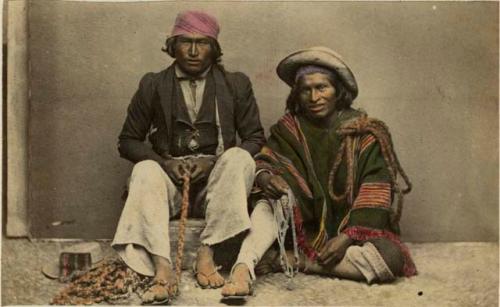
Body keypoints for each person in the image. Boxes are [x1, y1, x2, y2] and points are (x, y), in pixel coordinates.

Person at [221, 46, 417, 298]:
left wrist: (347, 237)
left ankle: (296, 261)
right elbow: (265, 160)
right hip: (303, 227)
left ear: (338, 91)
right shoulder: (289, 130)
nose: (314, 97)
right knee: (270, 201)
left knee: (390, 259)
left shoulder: (363, 133)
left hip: (353, 233)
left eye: (322, 87)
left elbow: (377, 187)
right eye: (306, 89)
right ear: (297, 94)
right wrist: (266, 177)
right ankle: (243, 268)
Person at [111, 10, 265, 304]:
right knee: (144, 169)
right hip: (171, 183)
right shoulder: (153, 84)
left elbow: (256, 138)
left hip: (216, 186)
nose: (194, 51)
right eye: (185, 42)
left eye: (202, 43)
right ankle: (162, 267)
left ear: (214, 49)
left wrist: (214, 163)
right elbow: (128, 140)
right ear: (172, 45)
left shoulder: (236, 84)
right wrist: (165, 164)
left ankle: (207, 252)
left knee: (239, 158)